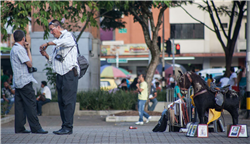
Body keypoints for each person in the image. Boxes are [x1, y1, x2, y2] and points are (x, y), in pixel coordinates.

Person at [39, 19, 79, 135]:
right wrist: (46, 55)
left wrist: (47, 43)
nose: (51, 32)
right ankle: (64, 126)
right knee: (61, 101)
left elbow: (64, 43)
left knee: (68, 101)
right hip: (60, 75)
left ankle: (68, 127)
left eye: (52, 30)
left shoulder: (68, 36)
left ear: (58, 27)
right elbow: (53, 60)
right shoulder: (56, 43)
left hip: (69, 73)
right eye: (50, 30)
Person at [10, 30, 47, 134]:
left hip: (17, 82)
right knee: (31, 104)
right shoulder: (20, 49)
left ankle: (19, 128)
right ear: (23, 39)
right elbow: (29, 64)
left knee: (19, 106)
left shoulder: (13, 49)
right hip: (25, 81)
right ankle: (36, 128)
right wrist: (28, 50)